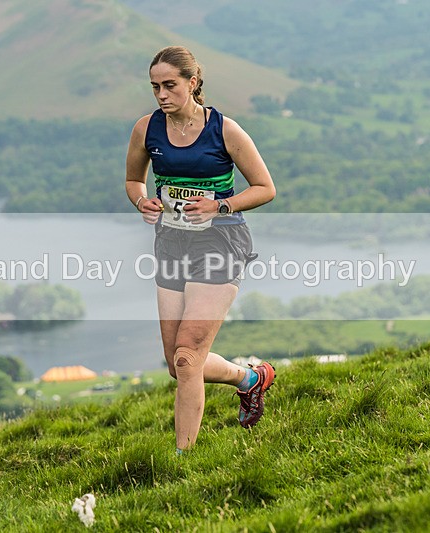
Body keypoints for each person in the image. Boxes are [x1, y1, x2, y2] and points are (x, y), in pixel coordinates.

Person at [125, 45, 277, 454]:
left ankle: (182, 459)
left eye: (170, 85)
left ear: (192, 83)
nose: (161, 94)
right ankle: (250, 379)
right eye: (155, 87)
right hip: (171, 242)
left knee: (188, 357)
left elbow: (265, 188)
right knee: (177, 364)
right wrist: (142, 202)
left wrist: (219, 206)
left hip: (220, 241)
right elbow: (134, 182)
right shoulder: (146, 129)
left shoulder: (224, 130)